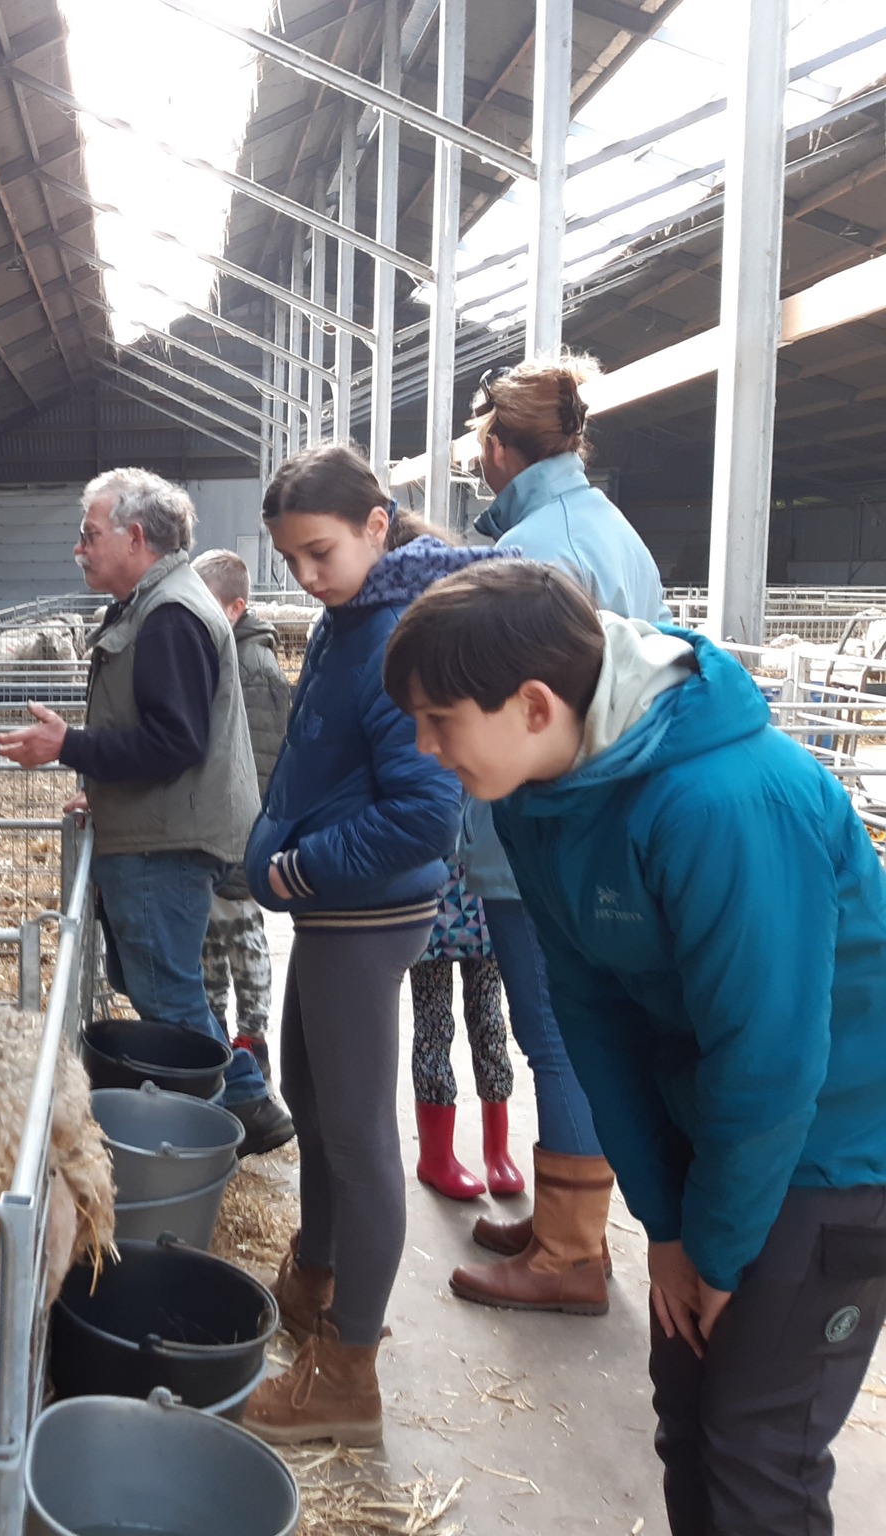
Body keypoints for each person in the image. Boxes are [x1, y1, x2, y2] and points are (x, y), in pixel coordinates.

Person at [387, 558, 886, 1536]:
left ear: (532, 704)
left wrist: (717, 1246)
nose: (423, 746)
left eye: (438, 720)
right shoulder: (538, 796)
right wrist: (663, 1227)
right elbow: (588, 1011)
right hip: (712, 1132)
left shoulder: (724, 802)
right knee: (687, 1416)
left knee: (757, 1447)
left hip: (830, 1146)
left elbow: (770, 1057)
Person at [239, 444, 502, 1447]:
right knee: (311, 1099)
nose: (304, 574)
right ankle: (315, 1276)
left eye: (319, 550)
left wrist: (295, 868)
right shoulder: (350, 620)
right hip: (332, 909)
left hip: (363, 908)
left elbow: (423, 812)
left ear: (376, 525)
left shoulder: (393, 628)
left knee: (354, 1134)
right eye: (290, 558)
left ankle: (348, 1367)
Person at [450, 355, 669, 1315]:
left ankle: (573, 1253)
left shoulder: (532, 551)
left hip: (539, 827)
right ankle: (559, 1216)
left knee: (554, 1031)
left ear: (499, 449)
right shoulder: (618, 535)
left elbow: (514, 710)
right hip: (608, 815)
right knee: (573, 1026)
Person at [0, 468, 293, 1155]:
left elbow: (174, 741)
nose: (79, 547)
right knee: (151, 979)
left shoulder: (170, 616)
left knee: (166, 993)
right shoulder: (150, 605)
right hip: (157, 828)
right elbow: (161, 730)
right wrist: (97, 779)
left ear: (134, 536)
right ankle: (241, 1099)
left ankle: (233, 1117)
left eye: (90, 533)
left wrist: (67, 744)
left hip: (168, 841)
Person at [193, 547, 291, 1081]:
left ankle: (252, 1040)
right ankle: (218, 1034)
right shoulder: (227, 656)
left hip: (242, 831)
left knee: (242, 934)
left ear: (235, 608)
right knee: (215, 936)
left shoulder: (255, 667)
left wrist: (250, 838)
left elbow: (263, 759)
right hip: (221, 828)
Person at [408, 860, 522, 1203]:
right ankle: (435, 1156)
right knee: (434, 1028)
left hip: (486, 903)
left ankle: (498, 1152)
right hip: (429, 906)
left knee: (489, 1023)